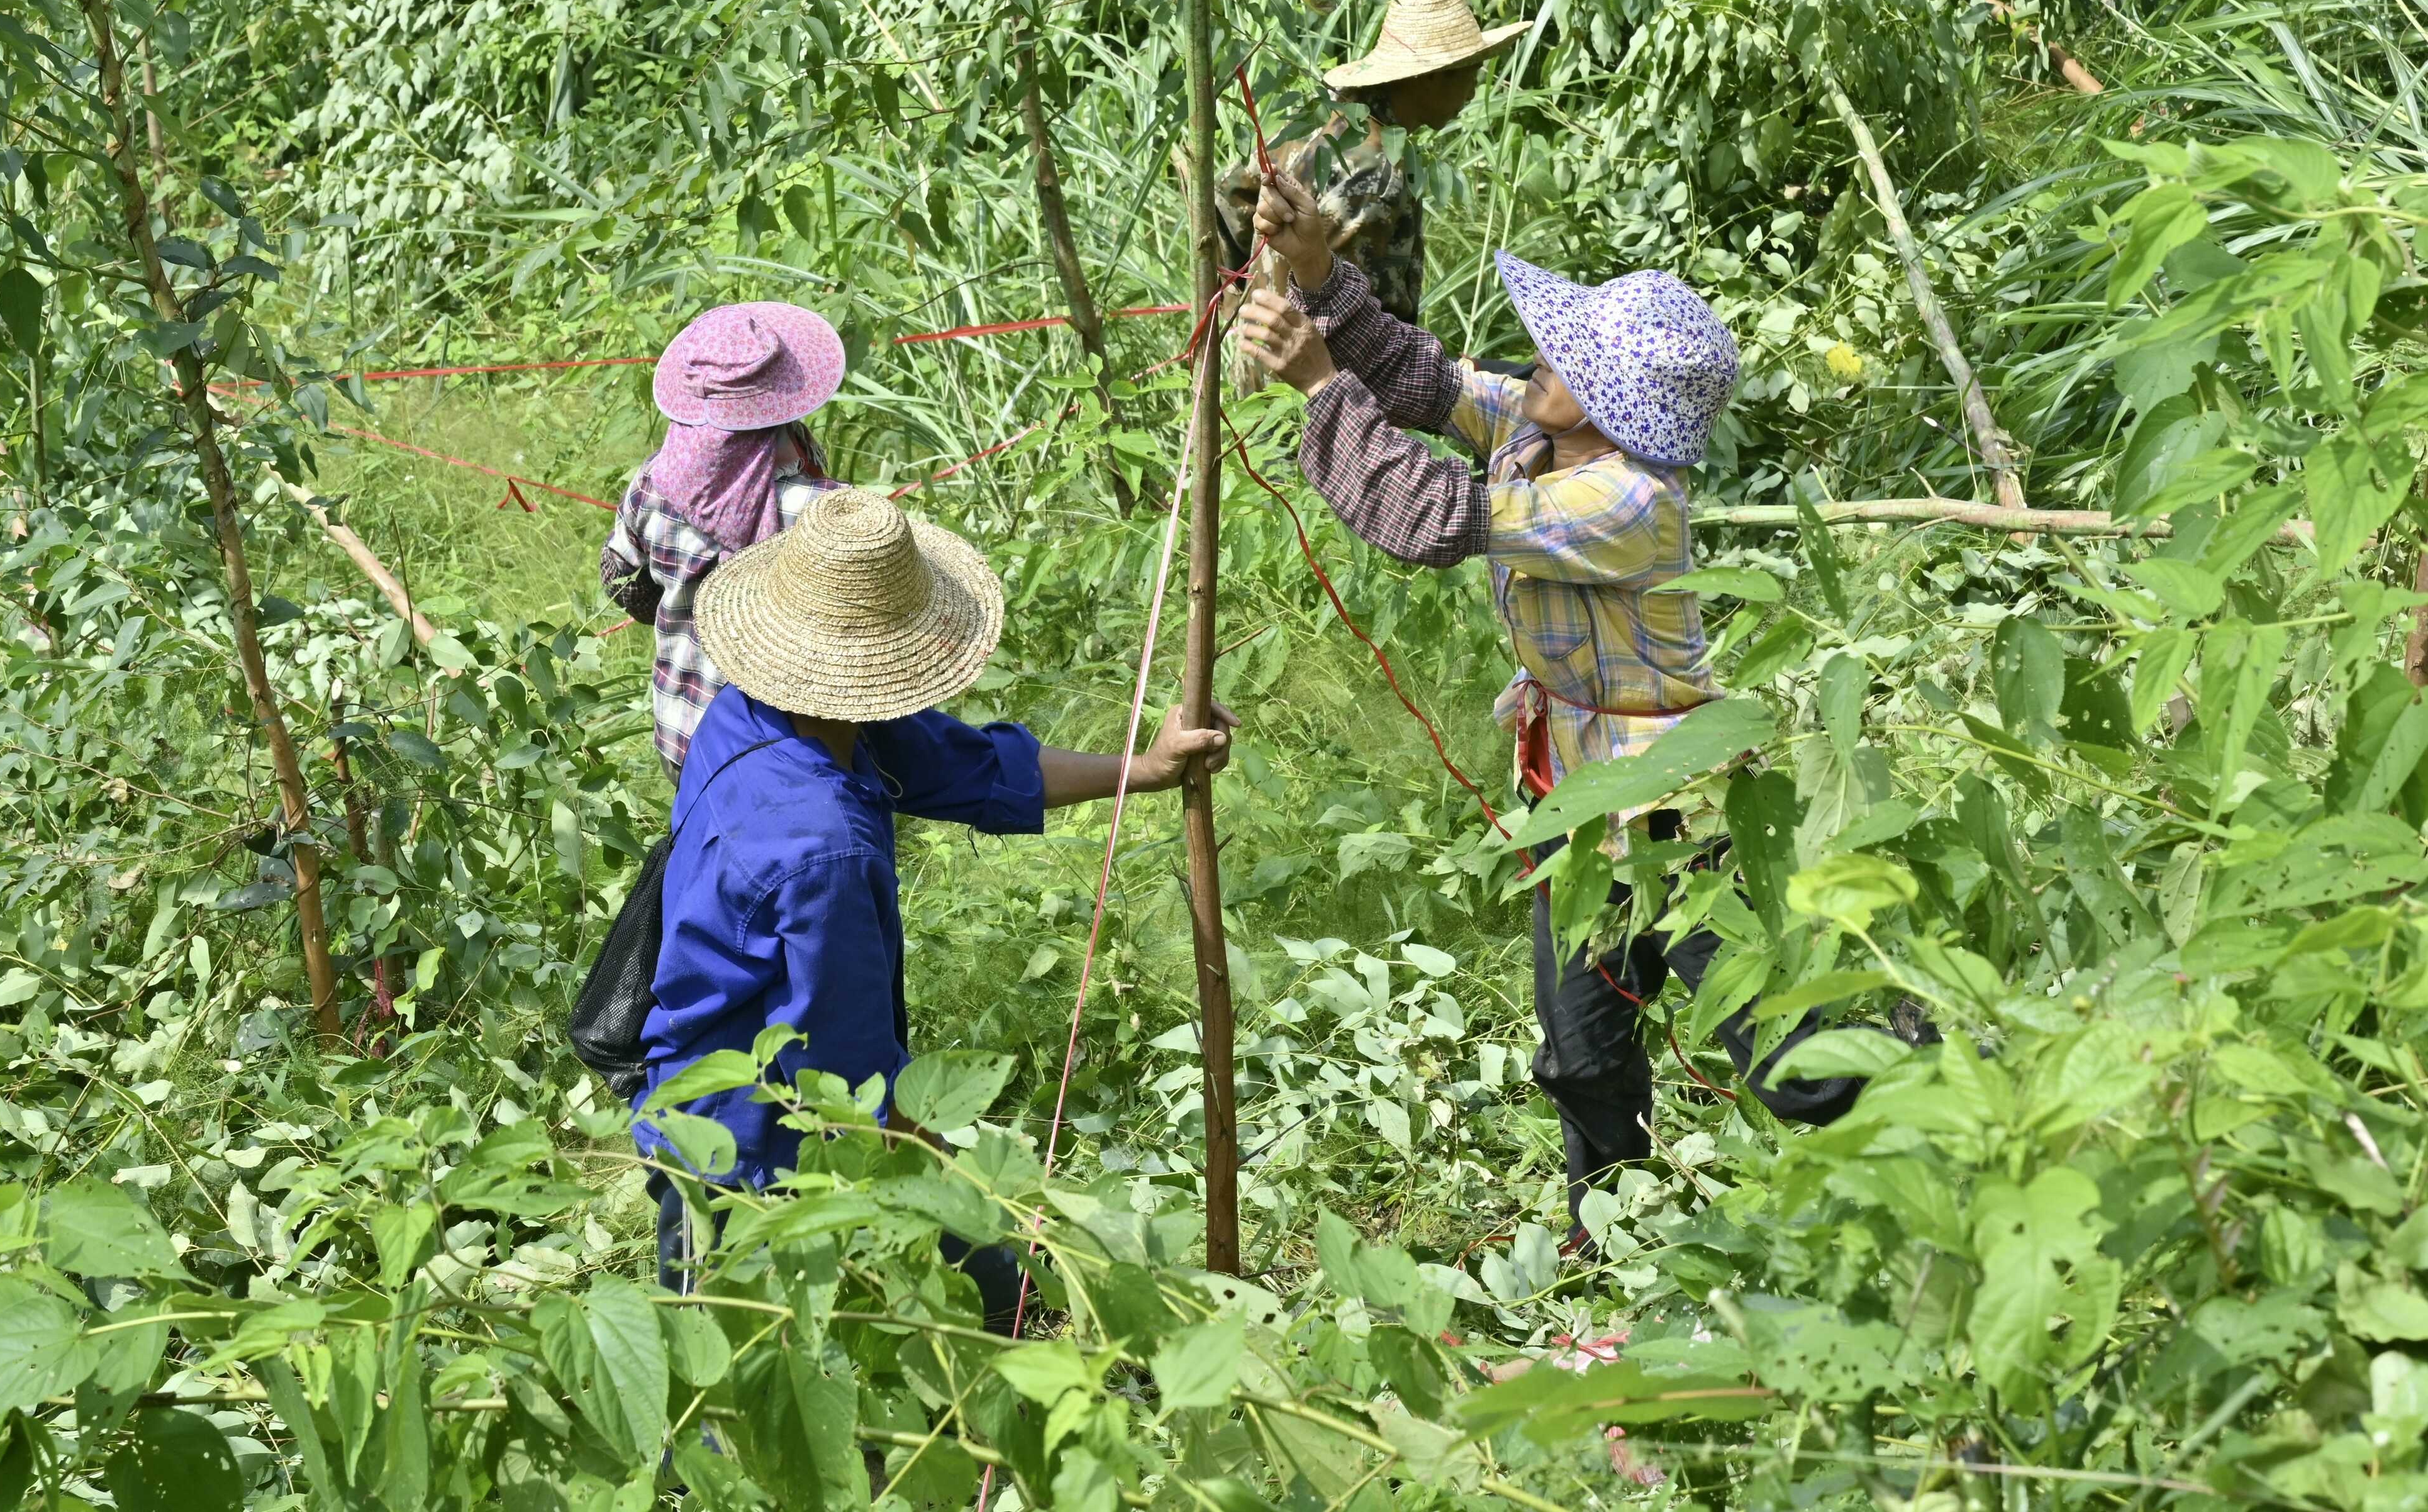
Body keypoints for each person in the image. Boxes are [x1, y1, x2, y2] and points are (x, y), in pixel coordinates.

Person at [1234, 174, 1887, 1223]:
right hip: (1579, 803)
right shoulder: (1540, 434)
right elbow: (1416, 377)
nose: (1536, 356)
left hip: (1680, 813)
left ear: (1607, 404)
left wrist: (1318, 385)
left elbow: (1429, 513)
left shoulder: (1622, 500)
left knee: (1785, 1057)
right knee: (1578, 1052)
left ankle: (1912, 1151)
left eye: (1563, 357)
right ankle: (1609, 1231)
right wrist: (1313, 266)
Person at [633, 484, 1231, 1326]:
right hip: (740, 1156)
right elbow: (852, 1088)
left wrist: (1146, 767)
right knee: (748, 1375)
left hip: (772, 1111)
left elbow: (976, 769)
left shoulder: (760, 714)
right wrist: (981, 1197)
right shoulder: (823, 849)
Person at [602, 302, 842, 777]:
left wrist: (683, 603)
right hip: (787, 756)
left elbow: (619, 580)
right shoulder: (826, 513)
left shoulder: (652, 483)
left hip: (683, 735)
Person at [1210, 0, 1527, 330]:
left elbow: (1226, 199)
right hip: (1312, 362)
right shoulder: (1379, 175)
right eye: (1471, 73)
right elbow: (1353, 329)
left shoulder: (1320, 121)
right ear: (1432, 76)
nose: (1473, 91)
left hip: (1263, 351)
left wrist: (1241, 311)